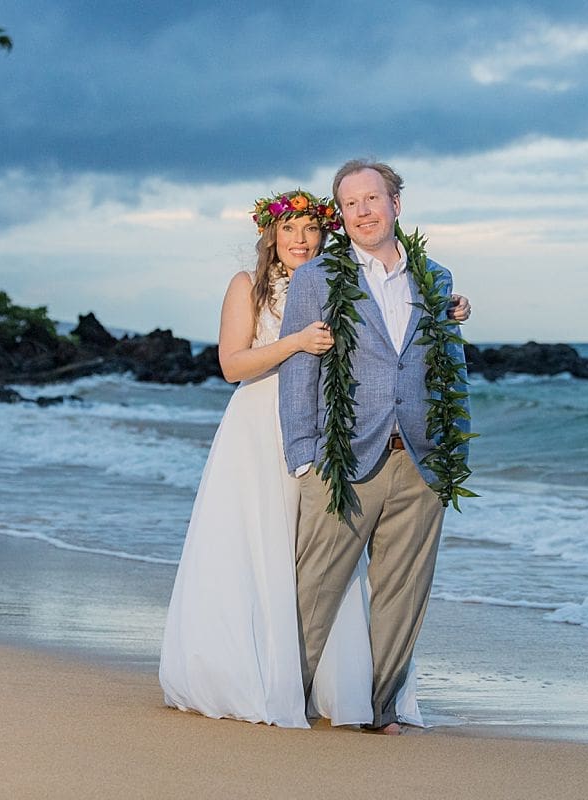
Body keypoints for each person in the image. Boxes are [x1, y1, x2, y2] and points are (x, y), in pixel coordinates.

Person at [158, 188, 470, 728]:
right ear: (270, 236)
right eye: (289, 230)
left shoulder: (340, 278)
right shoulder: (250, 286)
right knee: (265, 555)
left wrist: (450, 311)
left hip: (329, 429)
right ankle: (257, 674)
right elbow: (233, 365)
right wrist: (297, 341)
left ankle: (341, 691)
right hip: (261, 426)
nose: (301, 240)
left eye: (310, 229)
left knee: (319, 566)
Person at [279, 159, 470, 735]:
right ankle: (290, 702)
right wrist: (303, 453)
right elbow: (298, 364)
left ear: (396, 204)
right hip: (344, 460)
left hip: (419, 458)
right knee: (315, 589)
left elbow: (450, 364)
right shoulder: (318, 277)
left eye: (373, 199)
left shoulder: (434, 277)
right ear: (341, 214)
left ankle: (380, 710)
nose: (363, 212)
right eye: (351, 203)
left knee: (403, 594)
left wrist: (453, 448)